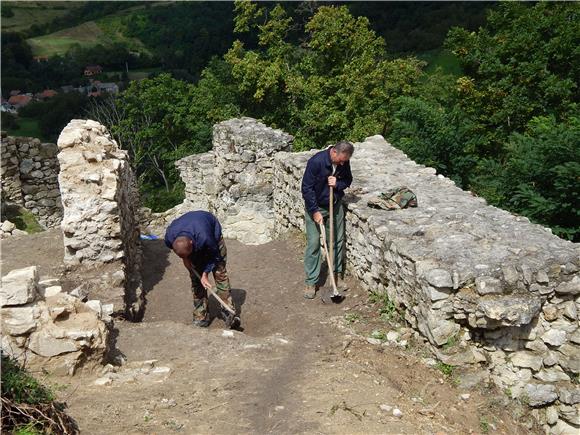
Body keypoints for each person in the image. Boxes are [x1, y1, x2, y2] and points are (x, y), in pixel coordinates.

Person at [301, 140, 354, 299]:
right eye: (341, 159)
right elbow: (306, 188)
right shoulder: (316, 162)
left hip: (334, 206)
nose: (343, 162)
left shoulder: (344, 162)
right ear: (334, 152)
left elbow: (348, 180)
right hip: (316, 207)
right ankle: (311, 281)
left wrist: (338, 183)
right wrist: (314, 211)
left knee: (337, 241)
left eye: (345, 160)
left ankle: (335, 277)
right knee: (314, 243)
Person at [164, 211, 236, 328]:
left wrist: (205, 274)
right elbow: (184, 254)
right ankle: (201, 315)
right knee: (196, 280)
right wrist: (187, 260)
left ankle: (228, 311)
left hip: (212, 239)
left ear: (192, 243)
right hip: (191, 242)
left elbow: (215, 256)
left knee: (220, 274)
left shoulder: (206, 237)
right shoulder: (169, 238)